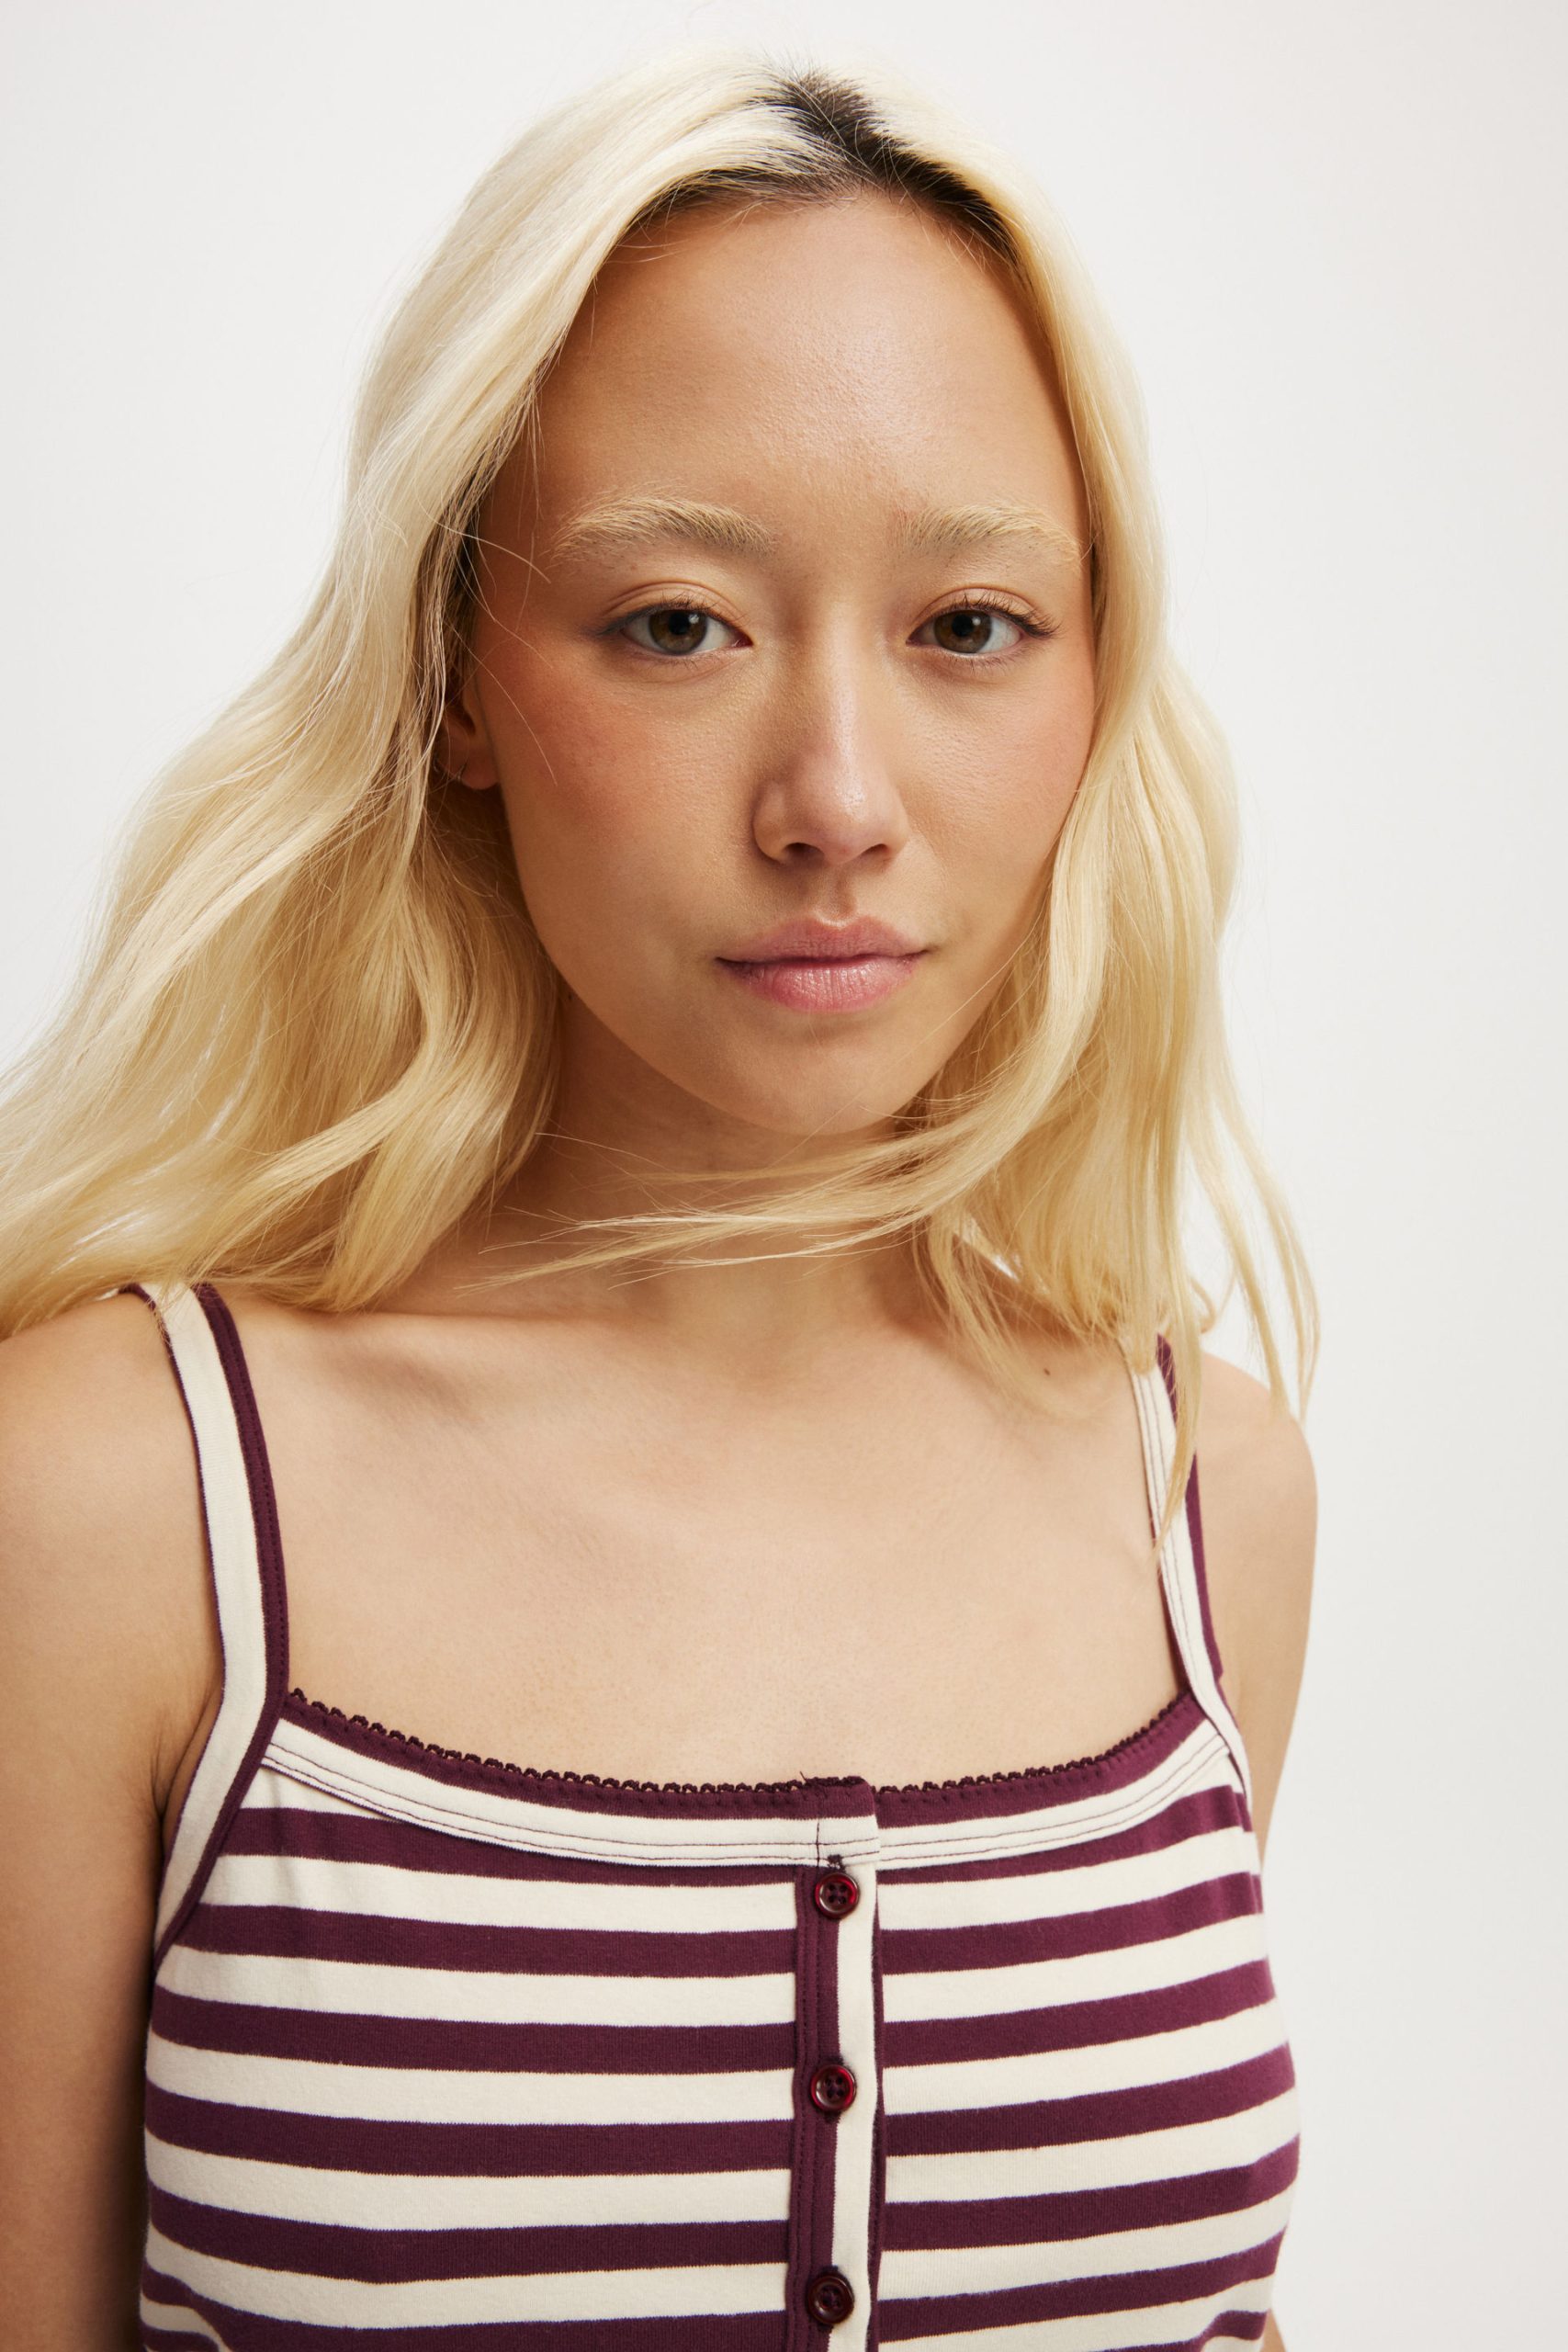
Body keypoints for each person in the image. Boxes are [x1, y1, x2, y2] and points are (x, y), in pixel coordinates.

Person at [0, 44, 1318, 2351]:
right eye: (676, 622)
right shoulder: (110, 1507)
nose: (834, 799)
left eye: (967, 625)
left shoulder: (1202, 1489)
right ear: (453, 677)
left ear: (1094, 672)